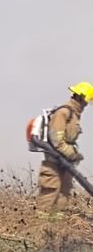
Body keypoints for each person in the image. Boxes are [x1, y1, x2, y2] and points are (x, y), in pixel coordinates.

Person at [37, 82, 93, 216]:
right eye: (86, 101)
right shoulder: (63, 113)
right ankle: (41, 224)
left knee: (64, 193)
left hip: (65, 163)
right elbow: (56, 141)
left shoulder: (74, 115)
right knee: (50, 193)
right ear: (80, 97)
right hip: (53, 163)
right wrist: (73, 154)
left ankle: (56, 223)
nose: (86, 105)